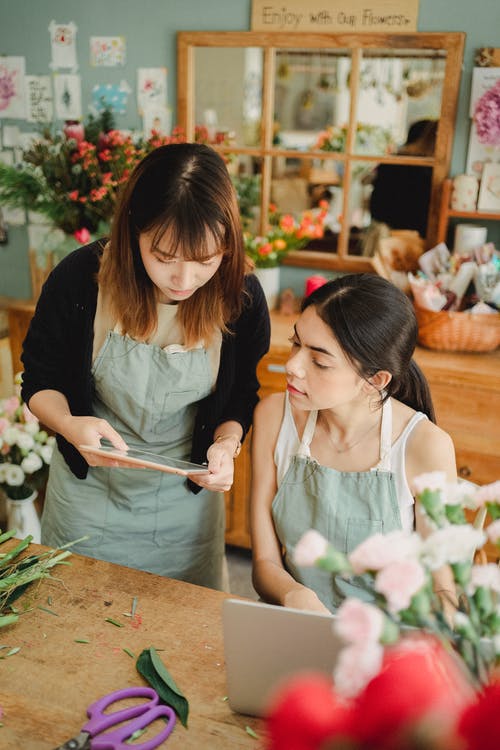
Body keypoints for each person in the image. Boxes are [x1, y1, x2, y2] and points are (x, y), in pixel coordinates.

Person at [21, 142, 271, 590]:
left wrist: (226, 444)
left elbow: (241, 394)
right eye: (164, 257)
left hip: (185, 508)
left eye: (205, 261)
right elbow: (41, 379)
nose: (184, 280)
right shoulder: (81, 278)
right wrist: (69, 424)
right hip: (88, 497)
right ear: (133, 230)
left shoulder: (242, 297)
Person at [250, 273, 456, 614]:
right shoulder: (274, 417)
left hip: (388, 644)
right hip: (292, 624)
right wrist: (293, 595)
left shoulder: (424, 446)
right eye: (296, 343)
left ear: (374, 380)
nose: (292, 365)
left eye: (319, 361)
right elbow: (265, 562)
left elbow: (443, 586)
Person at [368, 119, 438, 238]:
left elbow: (376, 208)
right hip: (416, 237)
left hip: (389, 232)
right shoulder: (430, 170)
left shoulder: (390, 163)